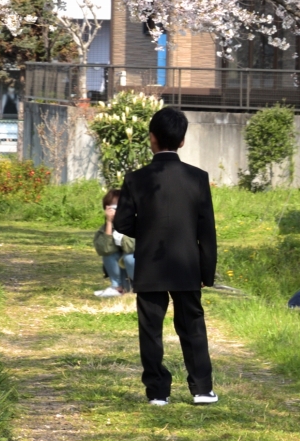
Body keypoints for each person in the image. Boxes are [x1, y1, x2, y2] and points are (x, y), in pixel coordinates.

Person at [114, 105, 219, 407]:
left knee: (150, 329)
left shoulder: (136, 179)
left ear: (151, 138)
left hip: (150, 265)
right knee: (192, 327)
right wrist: (207, 273)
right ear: (182, 141)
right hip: (188, 266)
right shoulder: (198, 178)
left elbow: (121, 222)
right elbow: (206, 230)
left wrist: (146, 231)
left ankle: (158, 391)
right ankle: (201, 389)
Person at [92, 188, 136, 295]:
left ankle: (141, 288)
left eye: (118, 207)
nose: (115, 212)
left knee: (128, 257)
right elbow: (104, 249)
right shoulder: (105, 228)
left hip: (139, 275)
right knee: (108, 254)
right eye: (112, 208)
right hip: (124, 277)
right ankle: (117, 288)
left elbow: (131, 247)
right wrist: (109, 223)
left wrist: (121, 231)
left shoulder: (136, 223)